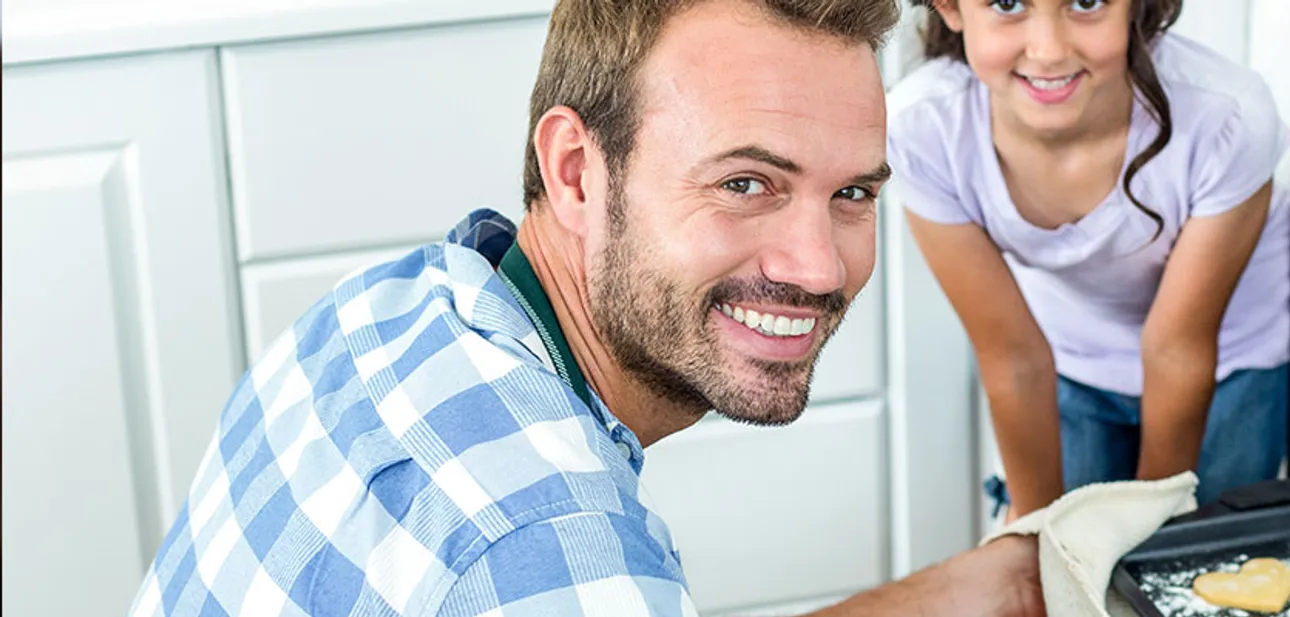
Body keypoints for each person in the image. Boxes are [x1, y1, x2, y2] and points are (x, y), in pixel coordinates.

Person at [126, 1, 1043, 615]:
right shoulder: (556, 545)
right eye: (746, 182)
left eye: (853, 195)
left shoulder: (382, 311)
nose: (818, 266)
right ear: (575, 171)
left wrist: (956, 591)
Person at [886, 0, 1290, 522]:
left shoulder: (1228, 117)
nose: (1050, 50)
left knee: (1195, 560)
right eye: (1008, 4)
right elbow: (1013, 357)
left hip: (1231, 363)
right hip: (1065, 351)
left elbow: (1177, 347)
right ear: (951, 8)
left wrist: (1148, 531)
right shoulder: (921, 132)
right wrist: (1033, 534)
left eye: (1086, 2)